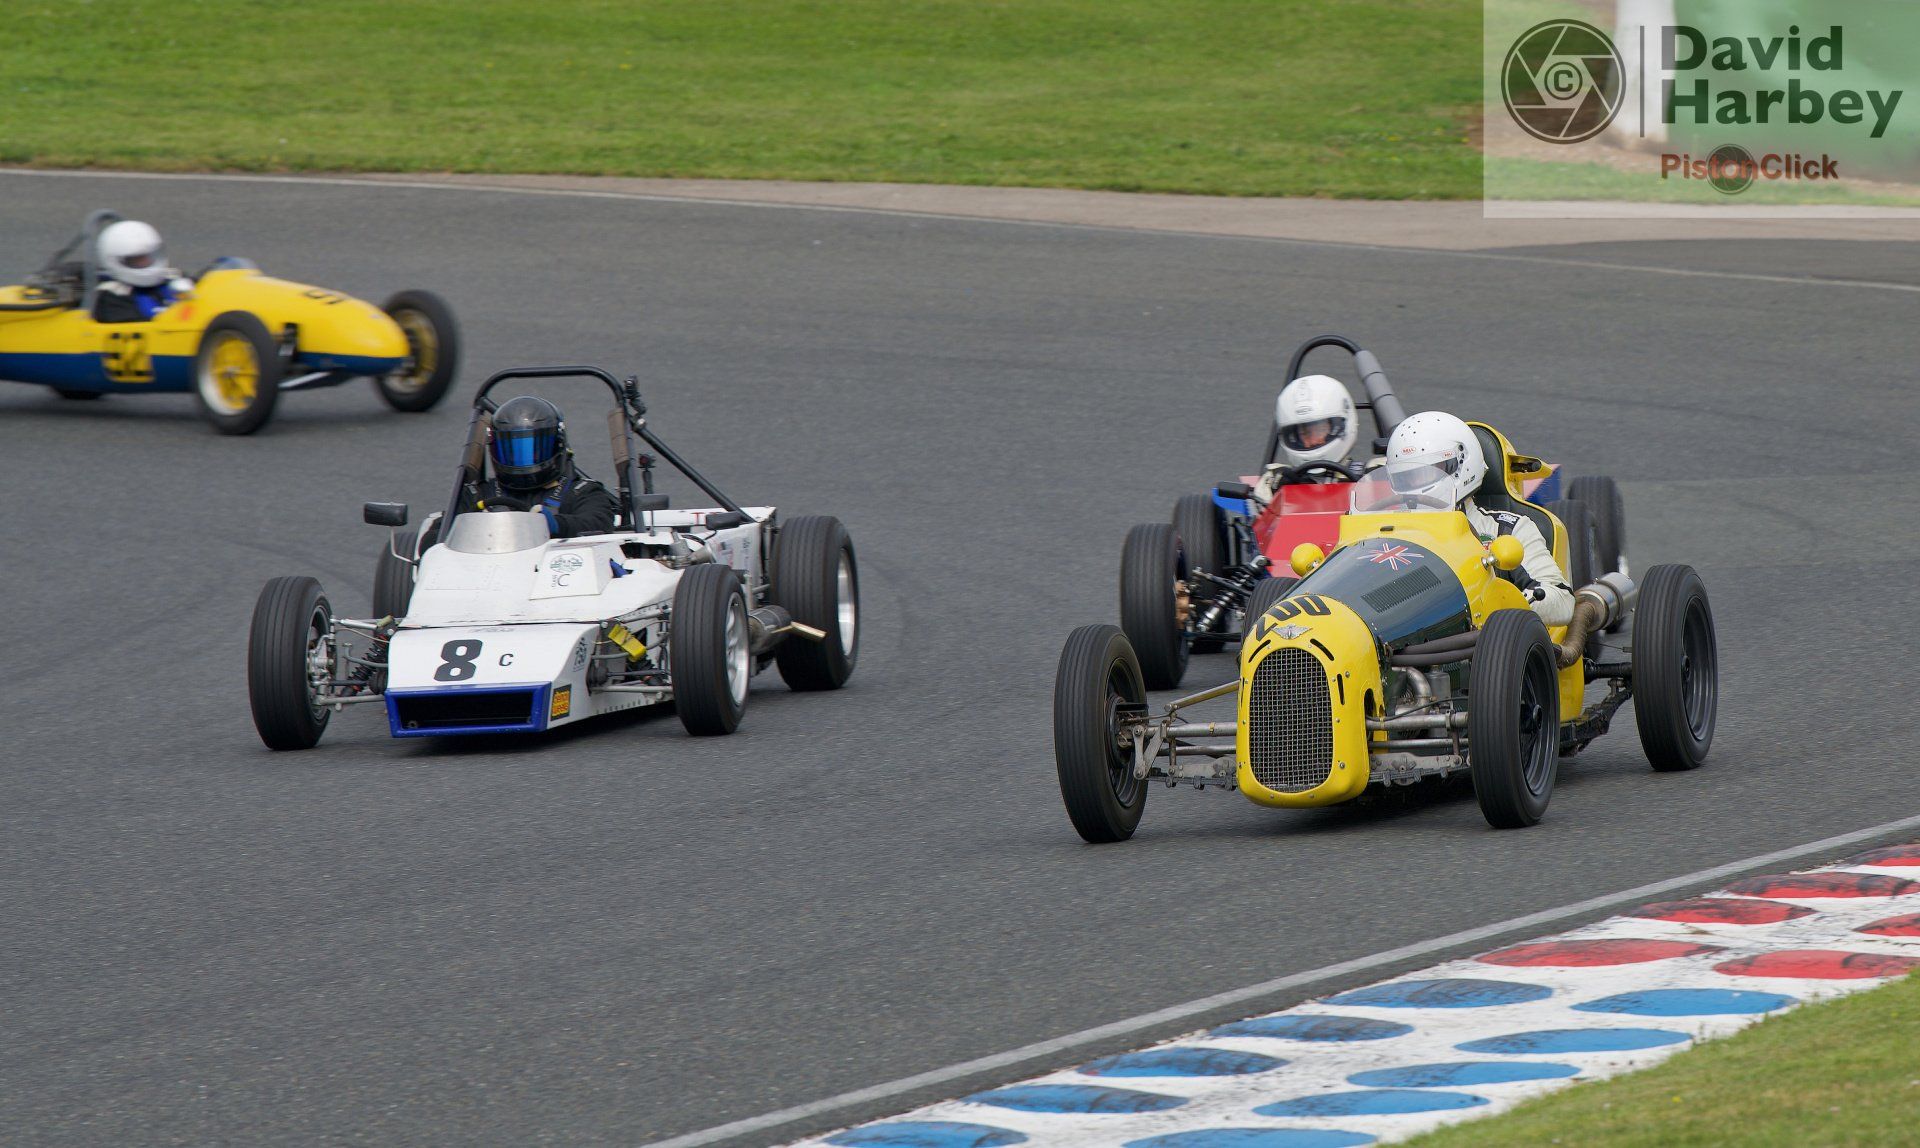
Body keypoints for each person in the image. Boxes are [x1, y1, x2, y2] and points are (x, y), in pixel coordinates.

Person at [1382, 411, 1573, 626]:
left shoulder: (1505, 529)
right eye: (1407, 475)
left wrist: (1505, 603)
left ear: (1462, 465)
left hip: (1486, 644)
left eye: (1428, 472)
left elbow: (1562, 601)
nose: (1416, 483)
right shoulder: (1384, 530)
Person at [464, 395, 619, 537]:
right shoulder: (480, 494)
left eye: (533, 452)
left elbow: (598, 522)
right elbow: (443, 529)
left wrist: (555, 524)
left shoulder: (582, 492)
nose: (523, 462)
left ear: (557, 445)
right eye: (512, 452)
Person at [1250, 374, 1364, 510]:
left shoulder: (1371, 475)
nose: (1310, 441)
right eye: (1302, 433)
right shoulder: (1274, 481)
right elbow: (1260, 525)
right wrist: (1282, 494)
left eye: (1319, 430)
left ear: (1342, 425)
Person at [91, 220, 194, 323]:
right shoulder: (112, 298)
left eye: (148, 257)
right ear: (117, 261)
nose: (146, 262)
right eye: (137, 259)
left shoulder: (172, 277)